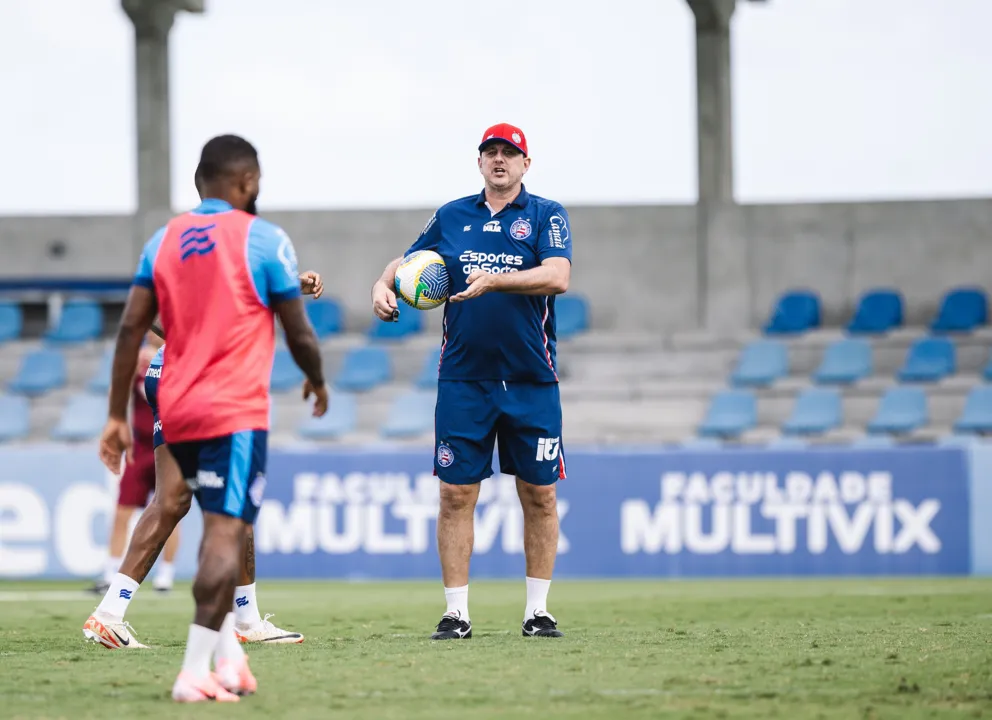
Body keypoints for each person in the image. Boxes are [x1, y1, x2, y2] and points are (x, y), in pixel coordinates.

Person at [97, 134, 328, 703]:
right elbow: (297, 329)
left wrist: (113, 417)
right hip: (232, 406)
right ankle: (196, 669)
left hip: (172, 394)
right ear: (248, 183)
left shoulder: (165, 238)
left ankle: (227, 648)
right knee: (226, 527)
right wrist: (317, 377)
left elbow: (132, 327)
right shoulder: (265, 237)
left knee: (176, 504)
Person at [371, 123, 572, 641]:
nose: (499, 160)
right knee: (455, 495)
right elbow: (408, 261)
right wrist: (382, 283)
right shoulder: (452, 215)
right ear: (479, 162)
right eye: (491, 153)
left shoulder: (546, 214)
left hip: (531, 378)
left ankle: (538, 611)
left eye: (510, 153)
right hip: (463, 379)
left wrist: (495, 280)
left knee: (540, 495)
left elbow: (558, 276)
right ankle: (456, 612)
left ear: (526, 163)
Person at [84, 267, 322, 650]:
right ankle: (240, 625)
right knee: (232, 502)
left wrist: (294, 284)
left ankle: (110, 614)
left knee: (171, 501)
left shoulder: (211, 253)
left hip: (170, 372)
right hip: (197, 378)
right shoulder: (223, 240)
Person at [90, 330, 180, 596]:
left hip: (171, 440)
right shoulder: (141, 357)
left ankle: (166, 574)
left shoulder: (183, 351)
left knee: (172, 509)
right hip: (141, 446)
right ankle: (110, 572)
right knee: (123, 510)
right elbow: (117, 390)